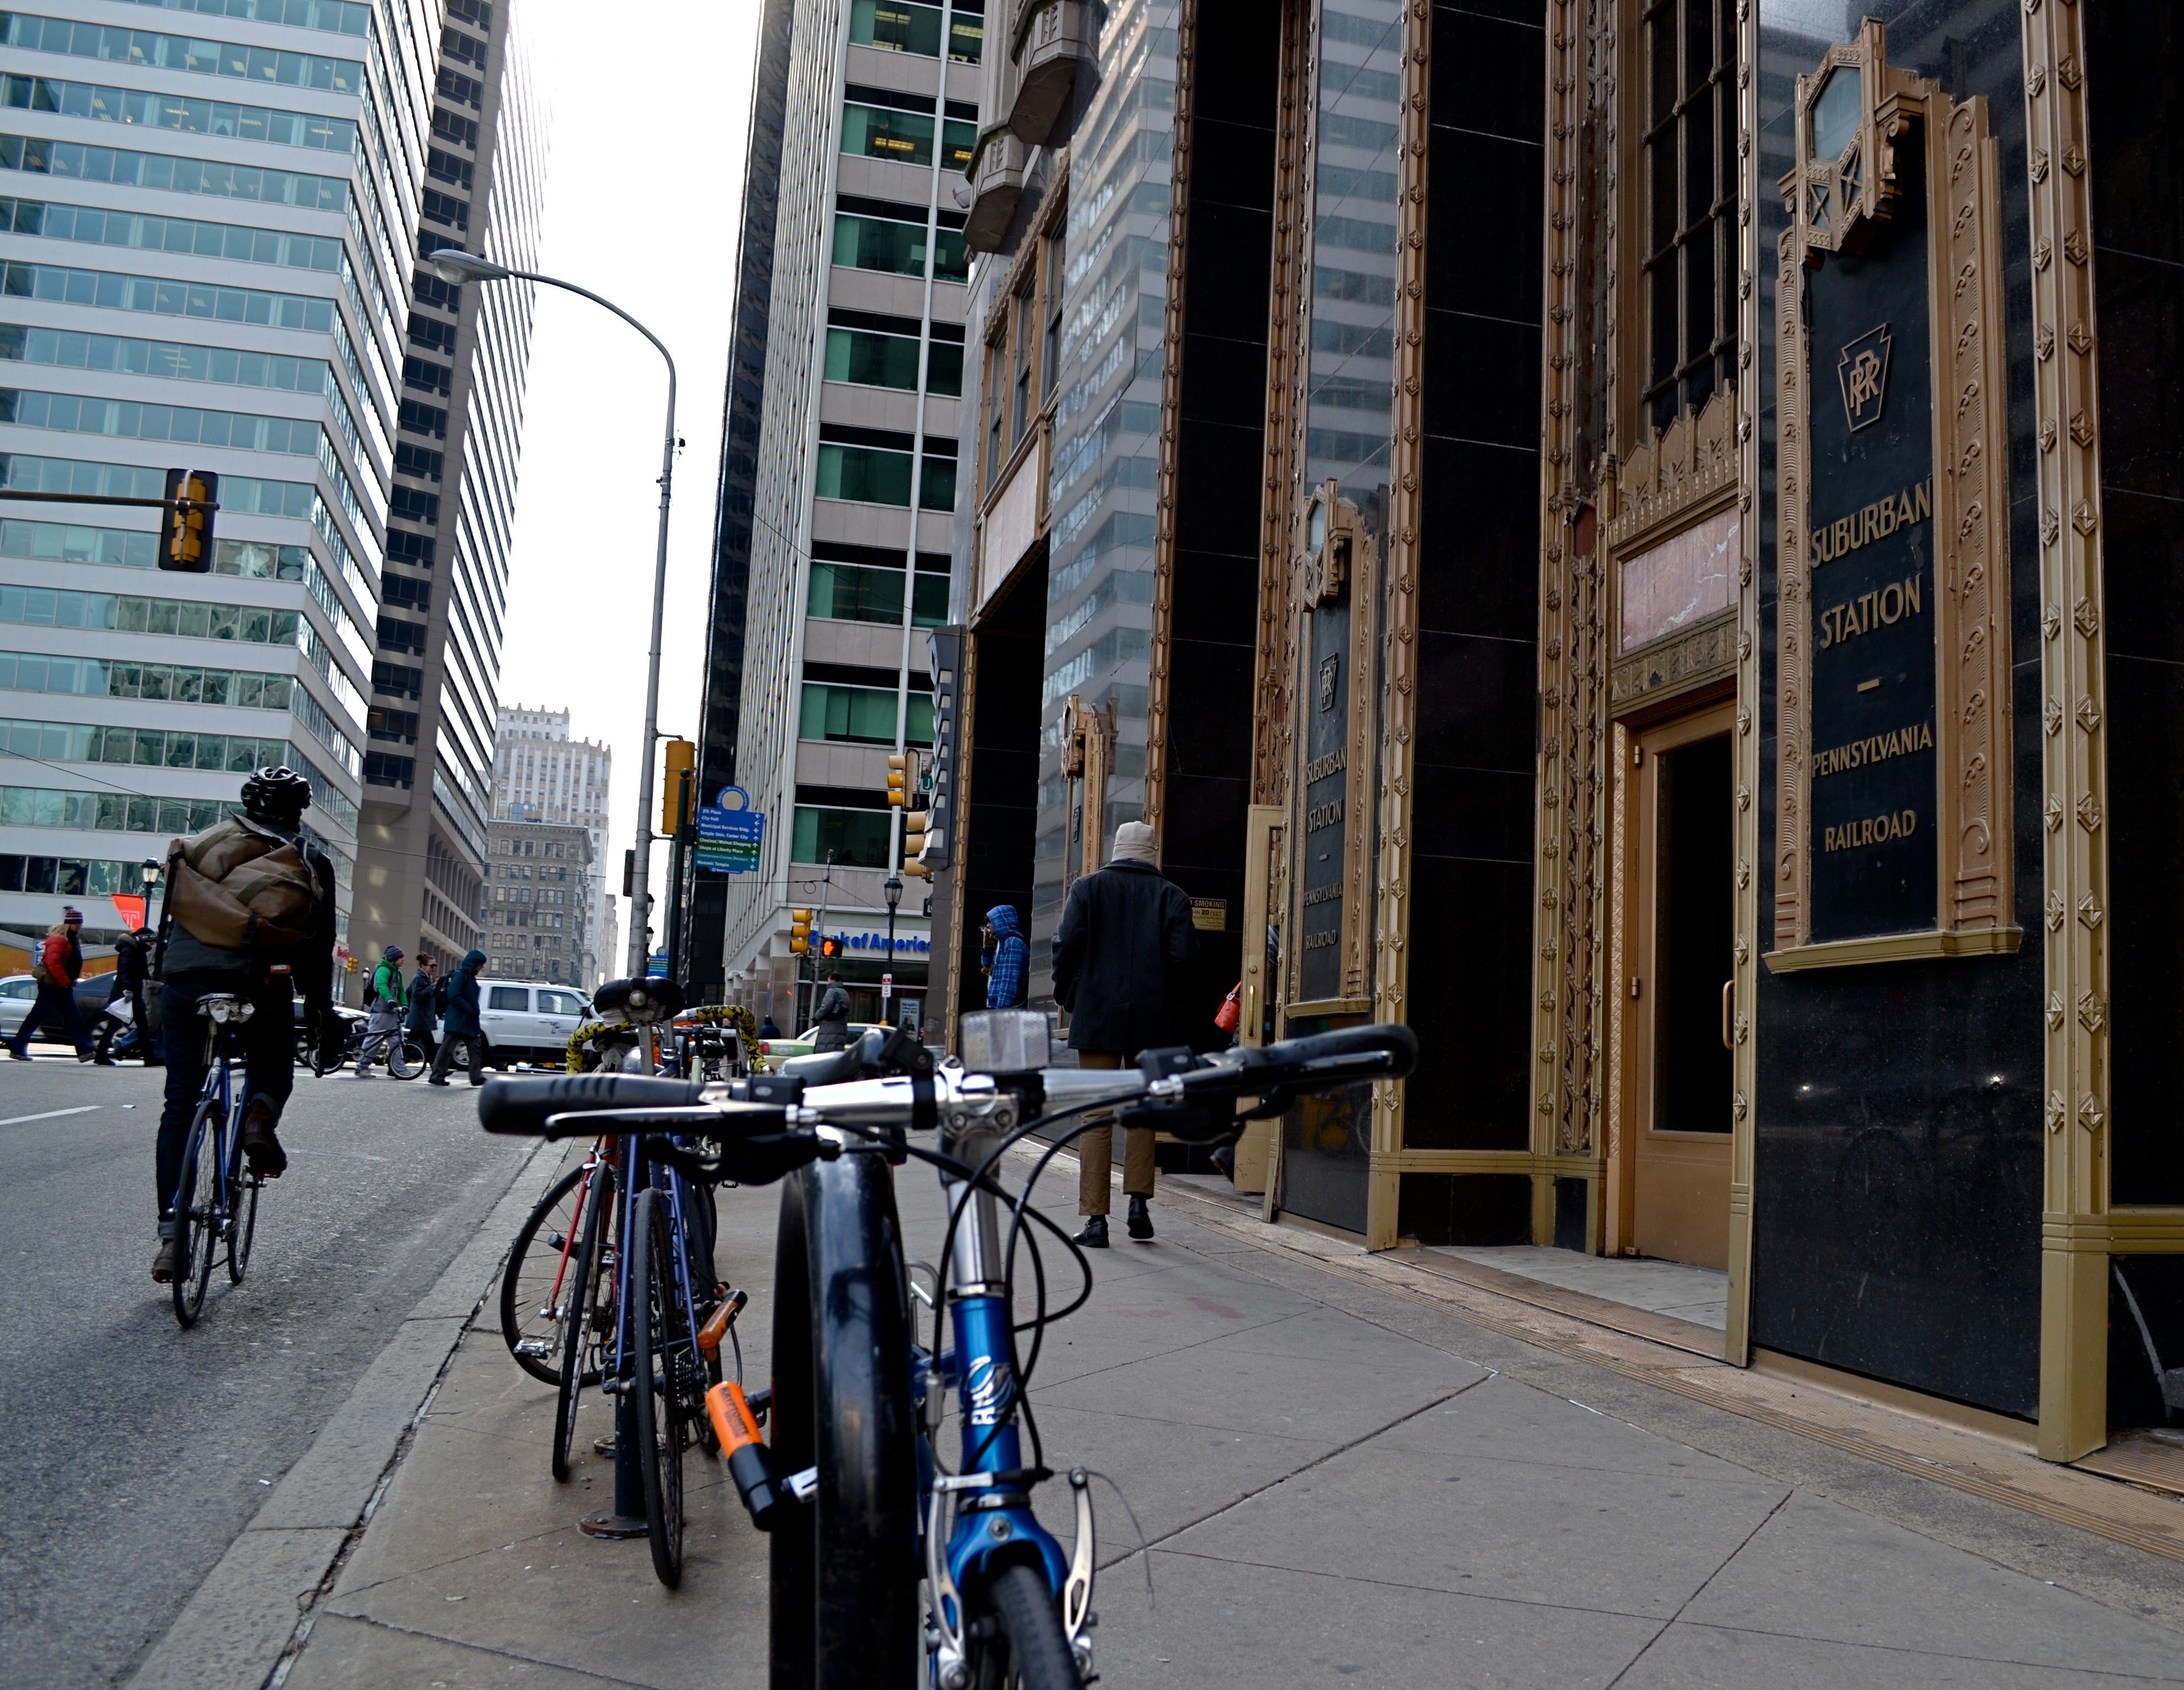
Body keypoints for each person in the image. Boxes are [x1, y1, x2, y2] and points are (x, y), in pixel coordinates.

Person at [152, 767, 340, 1282]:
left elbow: (170, 917)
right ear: (297, 811)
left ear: (246, 803)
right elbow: (317, 949)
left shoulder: (199, 845)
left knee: (179, 1102)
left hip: (187, 982)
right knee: (272, 1064)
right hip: (262, 982)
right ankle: (259, 1117)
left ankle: (171, 1236)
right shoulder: (310, 860)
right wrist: (320, 1016)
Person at [1053, 820, 1196, 1248]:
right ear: (1151, 853)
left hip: (1097, 1016)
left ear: (1117, 850)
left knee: (1095, 1117)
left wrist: (1069, 995)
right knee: (1142, 1113)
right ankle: (1138, 1204)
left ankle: (1096, 1220)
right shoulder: (1172, 896)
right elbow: (1183, 959)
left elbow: (1067, 945)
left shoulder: (1087, 889)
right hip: (1152, 1021)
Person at [7, 907, 92, 1062]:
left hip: (62, 986)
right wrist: (65, 982)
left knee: (73, 1018)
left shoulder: (71, 938)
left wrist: (67, 983)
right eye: (78, 923)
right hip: (53, 986)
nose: (80, 925)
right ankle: (17, 1048)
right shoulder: (60, 939)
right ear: (70, 923)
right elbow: (53, 963)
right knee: (39, 1016)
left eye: (81, 923)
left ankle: (86, 1051)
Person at [91, 928, 156, 1066]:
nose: (151, 945)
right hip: (127, 995)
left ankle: (148, 1058)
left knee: (134, 1025)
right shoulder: (130, 951)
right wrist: (128, 990)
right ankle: (148, 1058)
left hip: (131, 994)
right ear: (142, 939)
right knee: (135, 1025)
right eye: (150, 942)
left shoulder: (136, 950)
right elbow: (124, 971)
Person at [428, 948, 488, 1085]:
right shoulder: (462, 975)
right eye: (480, 964)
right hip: (458, 1018)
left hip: (467, 1020)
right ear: (475, 964)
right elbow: (453, 994)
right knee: (448, 1048)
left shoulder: (469, 976)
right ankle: (437, 1075)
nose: (482, 967)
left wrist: (472, 1011)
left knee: (475, 1047)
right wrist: (469, 1009)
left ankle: (476, 1077)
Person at [353, 944, 406, 1076]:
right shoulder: (384, 970)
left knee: (395, 1040)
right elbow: (381, 986)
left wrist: (405, 1005)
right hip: (381, 1011)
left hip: (391, 1012)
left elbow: (401, 991)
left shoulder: (397, 972)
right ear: (394, 959)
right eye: (401, 957)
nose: (403, 959)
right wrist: (389, 1000)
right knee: (374, 1040)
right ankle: (361, 1067)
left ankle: (398, 1069)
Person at [982, 905, 1028, 1009]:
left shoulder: (1012, 943)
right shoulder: (1001, 943)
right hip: (999, 1007)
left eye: (991, 922)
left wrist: (1001, 1013)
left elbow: (1010, 981)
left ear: (1001, 922)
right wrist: (987, 949)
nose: (988, 926)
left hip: (1009, 1009)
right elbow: (987, 968)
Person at [405, 953, 440, 1067]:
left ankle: (398, 1064)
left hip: (423, 1017)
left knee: (414, 1043)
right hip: (419, 1017)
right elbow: (418, 996)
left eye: (436, 966)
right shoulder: (418, 978)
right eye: (432, 966)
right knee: (428, 1044)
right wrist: (434, 987)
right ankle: (436, 1068)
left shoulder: (428, 978)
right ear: (423, 966)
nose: (434, 968)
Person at [811, 969, 851, 1052]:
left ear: (833, 980)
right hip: (840, 1031)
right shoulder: (845, 993)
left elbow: (826, 1007)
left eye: (828, 981)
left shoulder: (831, 991)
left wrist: (816, 1017)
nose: (827, 983)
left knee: (825, 1055)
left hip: (829, 1029)